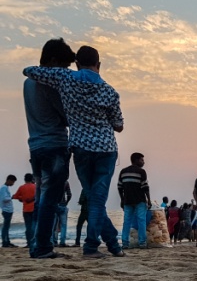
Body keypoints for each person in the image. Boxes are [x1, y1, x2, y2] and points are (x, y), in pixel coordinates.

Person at [23, 45, 125, 259]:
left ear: (77, 64)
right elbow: (118, 125)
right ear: (99, 64)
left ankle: (113, 243)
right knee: (93, 200)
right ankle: (88, 247)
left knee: (88, 197)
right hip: (99, 148)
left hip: (70, 147)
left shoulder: (63, 79)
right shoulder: (108, 91)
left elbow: (28, 70)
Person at [22, 38, 76, 259]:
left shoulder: (28, 83)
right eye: (63, 66)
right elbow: (65, 115)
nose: (64, 72)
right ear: (53, 61)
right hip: (54, 144)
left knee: (41, 195)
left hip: (35, 145)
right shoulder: (48, 84)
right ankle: (43, 246)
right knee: (50, 199)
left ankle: (36, 245)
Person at [117, 152, 152, 250]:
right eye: (142, 160)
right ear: (136, 160)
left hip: (127, 201)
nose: (143, 162)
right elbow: (145, 187)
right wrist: (149, 200)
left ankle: (125, 243)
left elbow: (119, 187)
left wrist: (122, 199)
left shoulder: (123, 171)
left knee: (127, 222)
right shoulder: (141, 172)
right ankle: (142, 243)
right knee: (141, 221)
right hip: (139, 200)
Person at [12, 173, 36, 249]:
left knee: (28, 227)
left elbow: (15, 196)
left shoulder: (22, 187)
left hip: (26, 209)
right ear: (32, 179)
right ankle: (34, 242)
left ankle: (29, 242)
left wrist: (22, 198)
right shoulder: (35, 187)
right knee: (34, 226)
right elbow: (38, 196)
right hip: (34, 208)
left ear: (25, 179)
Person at [52, 180, 72, 247]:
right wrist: (66, 202)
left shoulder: (52, 181)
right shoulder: (66, 182)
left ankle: (53, 241)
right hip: (63, 205)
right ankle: (62, 242)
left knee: (53, 225)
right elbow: (69, 194)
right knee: (63, 225)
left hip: (54, 204)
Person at [1, 175, 17, 247]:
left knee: (7, 227)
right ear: (9, 180)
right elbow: (4, 199)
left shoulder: (5, 188)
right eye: (13, 182)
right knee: (6, 227)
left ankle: (7, 241)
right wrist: (12, 197)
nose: (13, 184)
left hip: (8, 209)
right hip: (6, 210)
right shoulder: (4, 188)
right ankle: (5, 242)